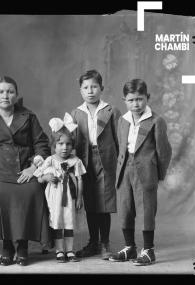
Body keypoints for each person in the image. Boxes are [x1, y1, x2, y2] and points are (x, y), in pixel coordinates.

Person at [0, 76, 51, 266]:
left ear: (16, 95)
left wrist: (33, 168)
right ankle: (7, 245)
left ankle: (22, 245)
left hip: (24, 167)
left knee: (33, 189)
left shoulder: (28, 116)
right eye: (1, 91)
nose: (5, 95)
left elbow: (41, 144)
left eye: (10, 91)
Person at [108, 79, 172, 266]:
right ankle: (129, 248)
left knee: (146, 210)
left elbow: (164, 151)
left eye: (140, 99)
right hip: (124, 170)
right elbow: (121, 147)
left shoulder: (156, 121)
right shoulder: (123, 120)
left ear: (147, 98)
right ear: (124, 100)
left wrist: (158, 174)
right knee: (125, 209)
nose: (136, 104)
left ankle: (148, 250)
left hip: (145, 172)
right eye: (131, 100)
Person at [71, 70, 121, 260]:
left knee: (104, 202)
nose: (90, 91)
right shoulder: (77, 113)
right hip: (84, 161)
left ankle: (105, 243)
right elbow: (71, 139)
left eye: (94, 87)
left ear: (101, 88)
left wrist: (121, 161)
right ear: (80, 90)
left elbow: (120, 139)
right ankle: (93, 242)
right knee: (90, 202)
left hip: (106, 160)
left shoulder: (111, 111)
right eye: (85, 87)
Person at [34, 113, 86, 263]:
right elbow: (38, 177)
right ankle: (59, 250)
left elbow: (80, 179)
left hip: (71, 198)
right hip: (55, 199)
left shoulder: (75, 161)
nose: (64, 148)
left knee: (69, 223)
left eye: (68, 144)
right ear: (53, 145)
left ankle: (69, 250)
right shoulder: (50, 160)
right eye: (60, 144)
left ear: (72, 145)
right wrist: (46, 177)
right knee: (57, 223)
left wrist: (80, 198)